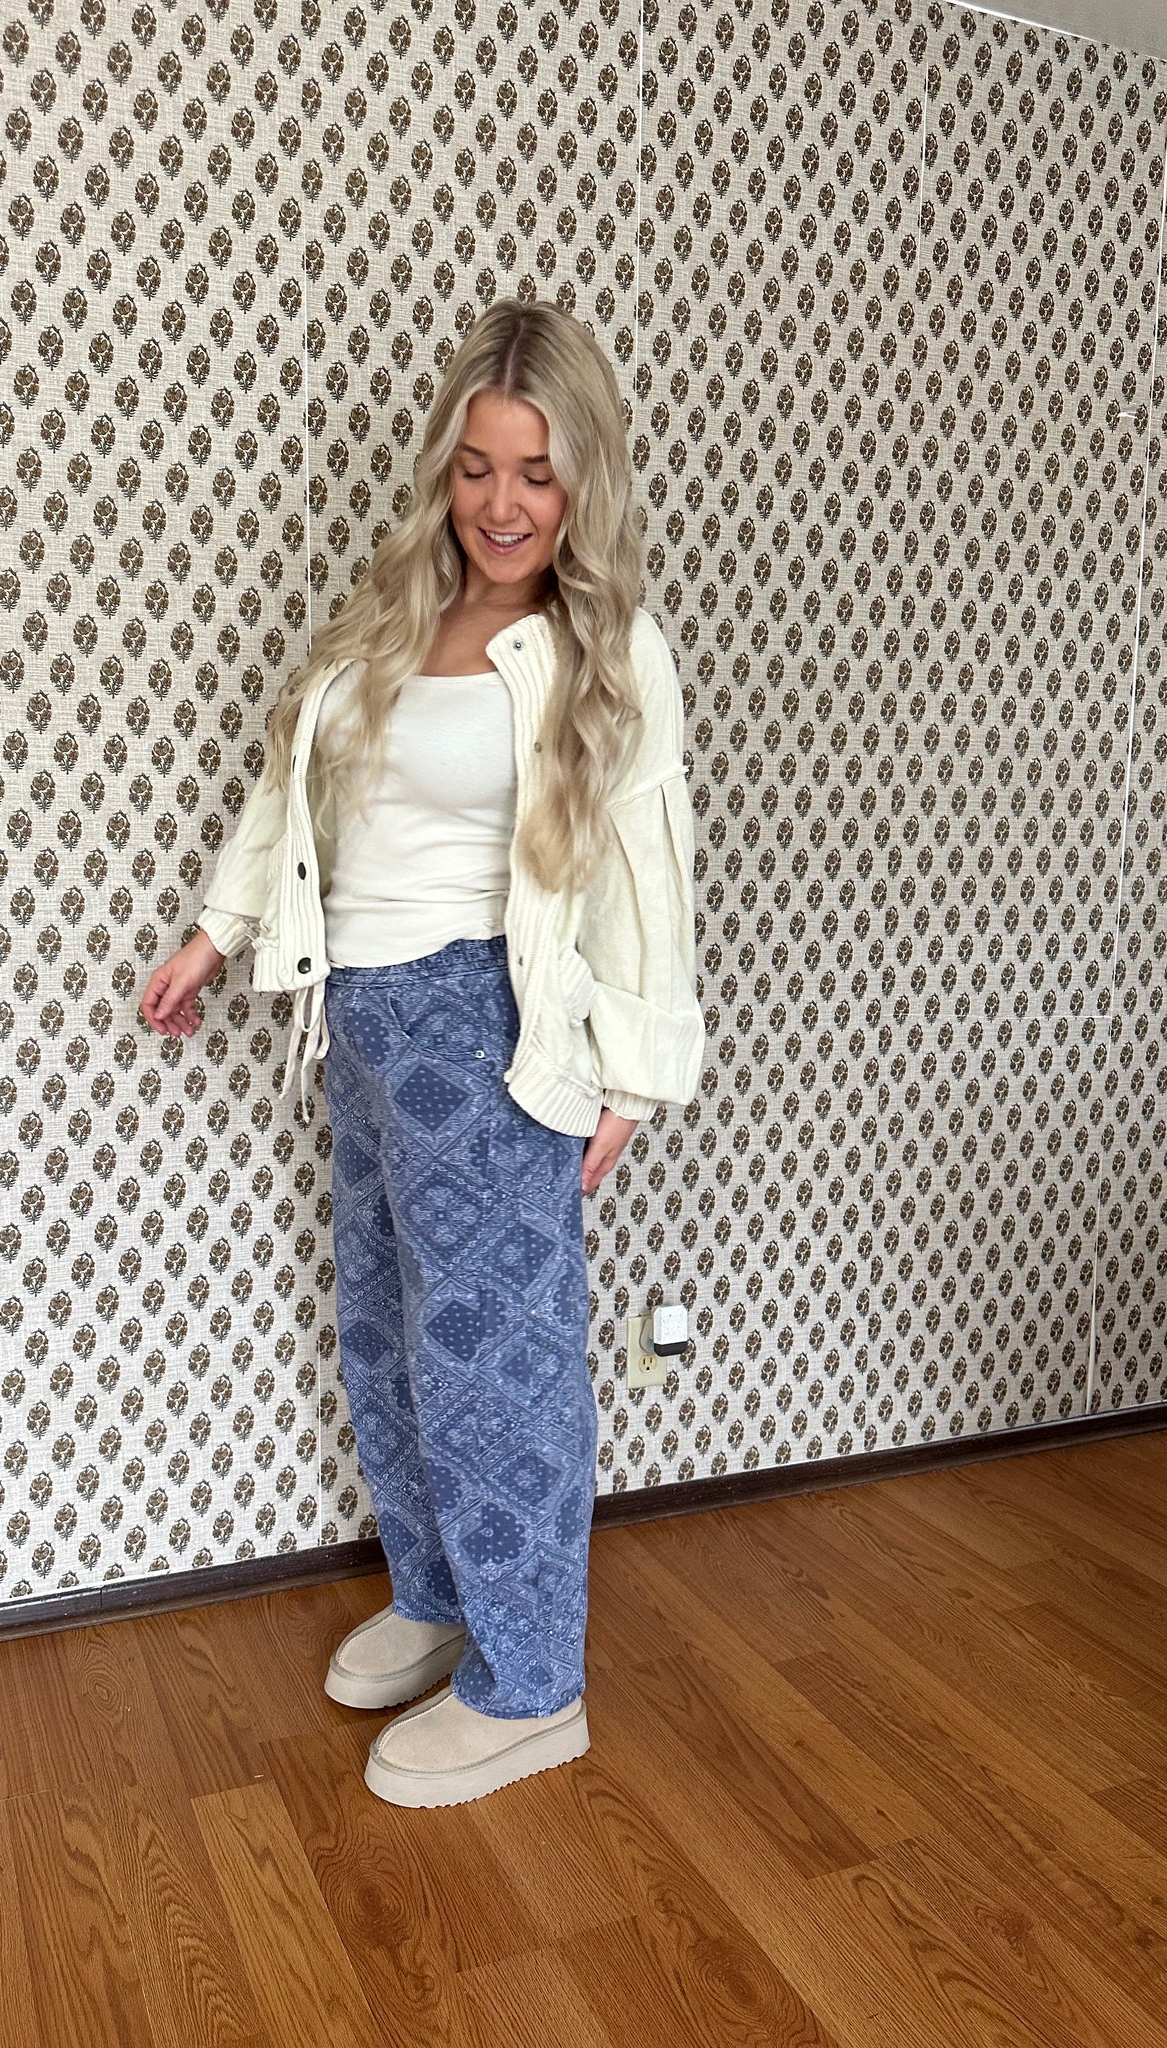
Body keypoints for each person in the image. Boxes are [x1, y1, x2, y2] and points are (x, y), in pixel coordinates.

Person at [140, 298, 705, 1809]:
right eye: (476, 468)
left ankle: (532, 1684)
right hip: (360, 1016)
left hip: (489, 1022)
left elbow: (648, 866)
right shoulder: (390, 618)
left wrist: (635, 1076)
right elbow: (301, 798)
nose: (502, 505)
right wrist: (217, 933)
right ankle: (445, 1597)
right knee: (387, 1338)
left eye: (536, 473)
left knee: (494, 1364)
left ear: (583, 482)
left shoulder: (605, 648)